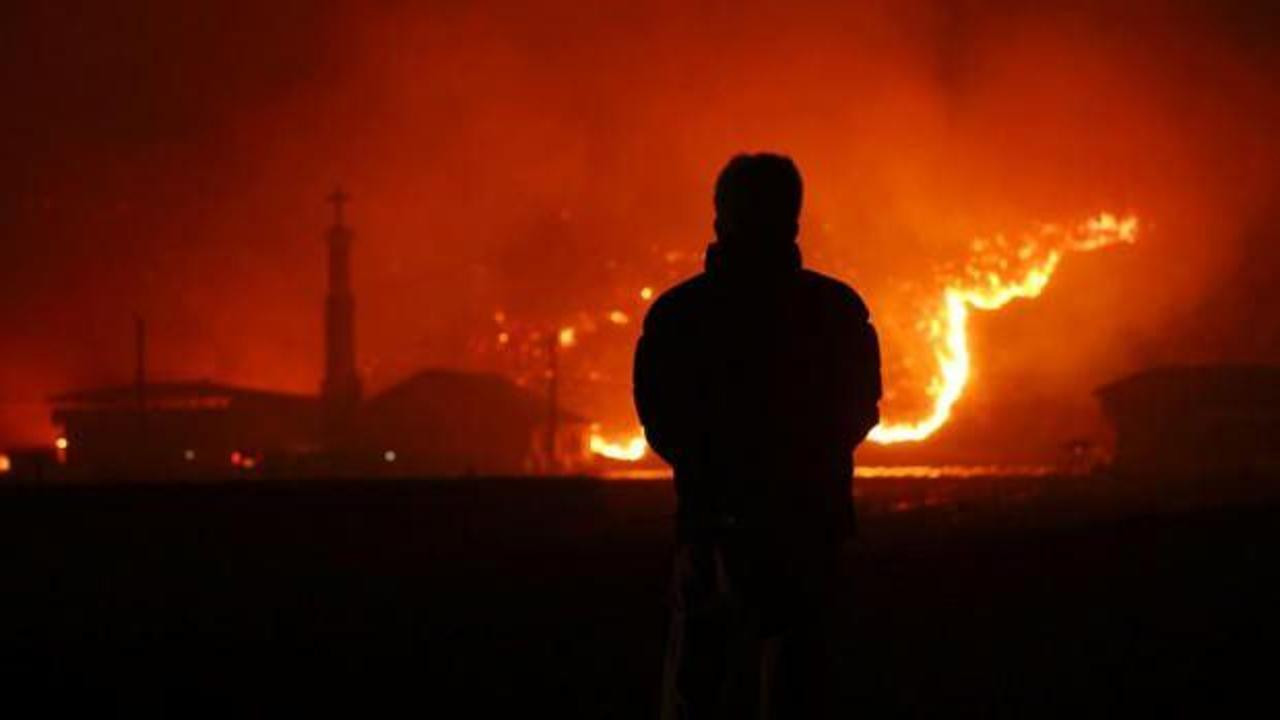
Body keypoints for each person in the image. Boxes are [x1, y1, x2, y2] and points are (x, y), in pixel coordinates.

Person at [634, 153, 882, 719]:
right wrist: (801, 470)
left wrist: (718, 473)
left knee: (699, 688)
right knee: (799, 685)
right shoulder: (836, 310)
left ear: (719, 218)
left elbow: (660, 419)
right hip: (807, 526)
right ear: (794, 221)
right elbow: (858, 411)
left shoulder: (678, 315)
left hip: (713, 525)